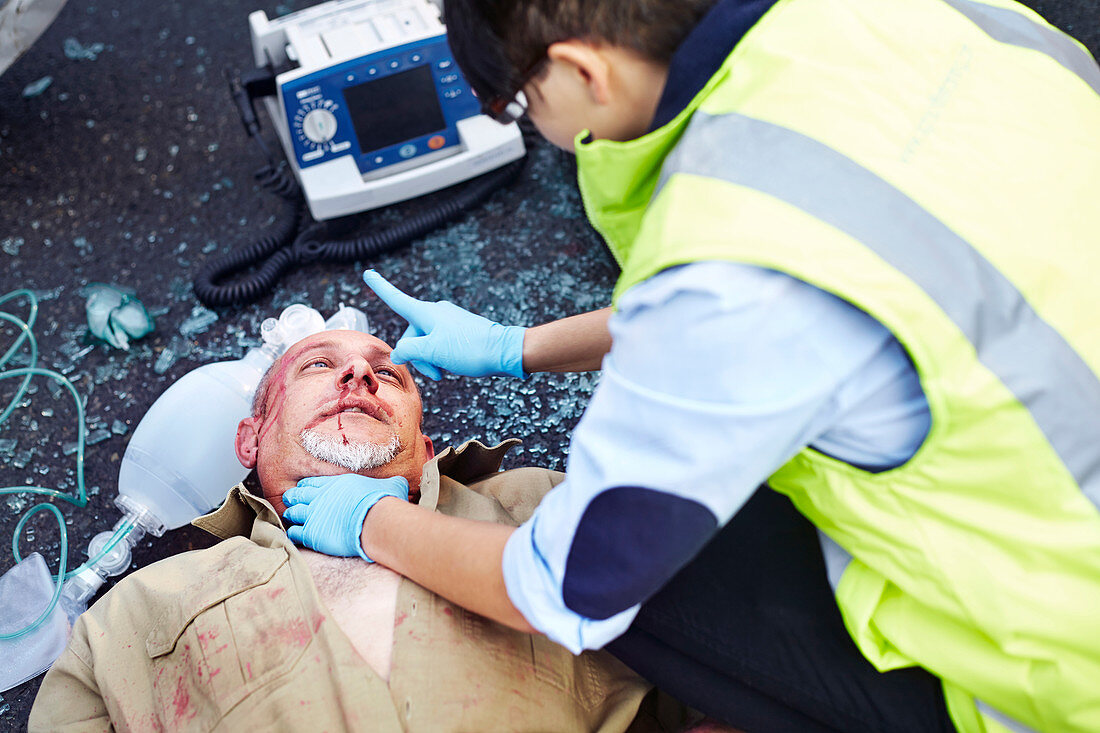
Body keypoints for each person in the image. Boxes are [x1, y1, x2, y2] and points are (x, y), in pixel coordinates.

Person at [279, 1, 1100, 732]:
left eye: (525, 105)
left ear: (580, 70)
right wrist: (517, 346)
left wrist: (371, 521)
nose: (359, 378)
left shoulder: (728, 259)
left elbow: (560, 589)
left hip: (1062, 658)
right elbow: (846, 267)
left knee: (643, 575)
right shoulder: (943, 20)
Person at [28, 326, 691, 732]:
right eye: (317, 364)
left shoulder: (538, 501)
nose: (358, 371)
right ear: (250, 437)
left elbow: (742, 652)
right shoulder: (134, 613)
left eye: (390, 373)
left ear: (425, 447)